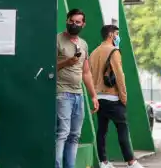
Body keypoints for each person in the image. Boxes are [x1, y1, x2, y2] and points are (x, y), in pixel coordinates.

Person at [89, 24, 143, 168]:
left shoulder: (94, 53)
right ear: (111, 35)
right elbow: (120, 76)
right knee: (122, 129)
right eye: (117, 34)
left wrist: (95, 95)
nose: (118, 37)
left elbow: (90, 75)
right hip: (113, 98)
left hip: (99, 98)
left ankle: (104, 162)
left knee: (102, 130)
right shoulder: (114, 51)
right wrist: (123, 98)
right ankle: (131, 162)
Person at [56, 9, 99, 168]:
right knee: (62, 133)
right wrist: (66, 63)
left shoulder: (83, 44)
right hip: (62, 93)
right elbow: (50, 66)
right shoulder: (58, 40)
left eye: (77, 22)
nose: (74, 24)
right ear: (67, 20)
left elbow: (86, 72)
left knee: (75, 135)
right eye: (71, 21)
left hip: (78, 95)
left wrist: (93, 95)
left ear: (83, 24)